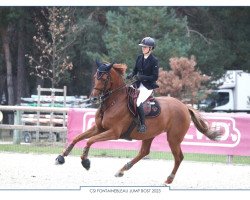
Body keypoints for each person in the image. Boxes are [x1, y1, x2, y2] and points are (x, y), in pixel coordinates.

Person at [127, 37, 159, 133]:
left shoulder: (154, 60)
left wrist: (142, 77)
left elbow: (154, 77)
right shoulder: (139, 57)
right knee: (126, 95)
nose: (143, 48)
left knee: (138, 101)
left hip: (147, 86)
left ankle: (143, 125)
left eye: (145, 47)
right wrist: (130, 75)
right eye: (142, 47)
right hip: (137, 83)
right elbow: (135, 71)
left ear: (151, 48)